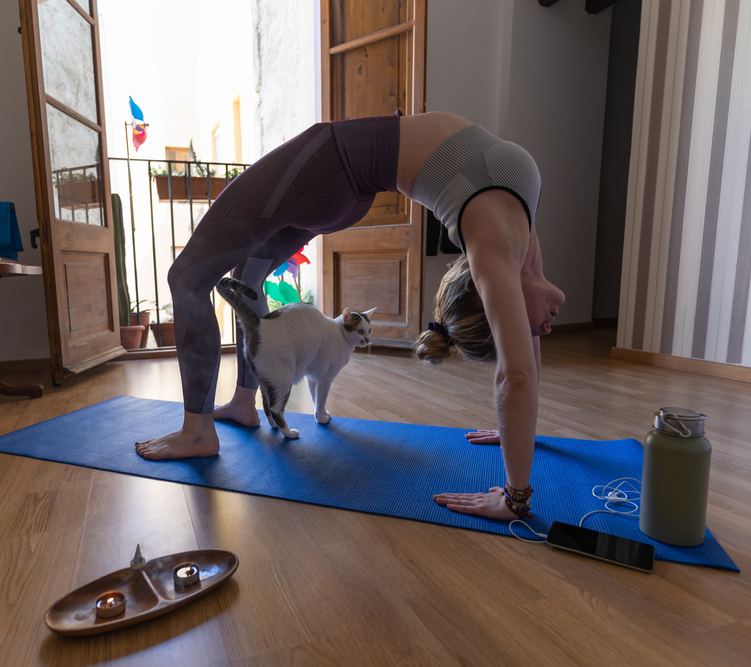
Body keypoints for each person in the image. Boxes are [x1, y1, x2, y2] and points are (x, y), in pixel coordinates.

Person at [135, 110, 565, 522]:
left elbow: (518, 375)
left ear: (492, 300)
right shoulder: (518, 241)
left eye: (528, 327)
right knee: (249, 270)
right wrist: (516, 430)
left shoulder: (494, 244)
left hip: (332, 163)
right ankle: (245, 405)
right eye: (534, 327)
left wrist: (516, 496)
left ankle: (197, 431)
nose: (544, 327)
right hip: (348, 186)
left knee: (187, 276)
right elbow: (524, 359)